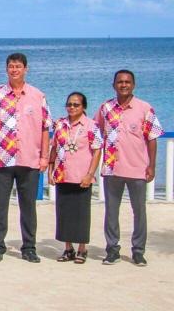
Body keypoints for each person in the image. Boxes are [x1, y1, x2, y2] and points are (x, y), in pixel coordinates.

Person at [0, 53, 51, 263]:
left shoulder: (38, 96)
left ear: (26, 69)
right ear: (6, 69)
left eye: (18, 66)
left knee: (28, 206)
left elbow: (45, 128)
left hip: (29, 159)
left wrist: (45, 157)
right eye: (11, 66)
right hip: (1, 159)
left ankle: (29, 247)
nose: (14, 70)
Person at [95, 70, 164, 266]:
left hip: (137, 169)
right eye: (119, 82)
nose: (123, 85)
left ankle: (138, 250)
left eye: (127, 82)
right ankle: (112, 250)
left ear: (133, 85)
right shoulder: (105, 108)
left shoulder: (144, 108)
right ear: (113, 85)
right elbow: (96, 134)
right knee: (111, 211)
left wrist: (151, 165)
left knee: (139, 211)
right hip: (112, 168)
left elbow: (152, 138)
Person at [49, 92, 102, 265]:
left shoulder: (91, 126)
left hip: (82, 176)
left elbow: (96, 151)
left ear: (83, 107)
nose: (72, 107)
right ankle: (68, 248)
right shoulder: (60, 125)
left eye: (76, 105)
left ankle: (82, 249)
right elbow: (54, 148)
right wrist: (51, 170)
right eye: (69, 104)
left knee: (81, 214)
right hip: (63, 175)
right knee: (64, 214)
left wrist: (90, 174)